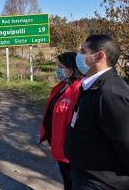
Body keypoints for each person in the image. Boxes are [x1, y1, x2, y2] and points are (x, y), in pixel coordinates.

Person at [64, 35, 129, 189]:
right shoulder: (94, 86)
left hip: (100, 183)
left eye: (83, 51)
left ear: (99, 56)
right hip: (84, 175)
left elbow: (126, 143)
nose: (78, 56)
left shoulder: (111, 93)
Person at [39, 52, 82, 190]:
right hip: (57, 141)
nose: (58, 69)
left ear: (72, 68)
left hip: (69, 147)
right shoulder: (61, 85)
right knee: (66, 176)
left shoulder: (79, 89)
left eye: (61, 66)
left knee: (72, 180)